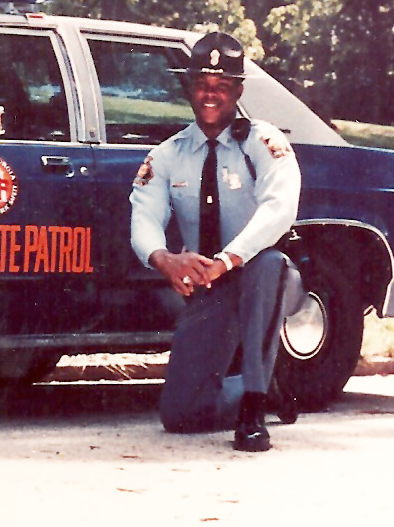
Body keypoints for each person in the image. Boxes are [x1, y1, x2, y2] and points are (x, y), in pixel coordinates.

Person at [129, 31, 302, 452]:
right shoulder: (170, 154)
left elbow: (279, 209)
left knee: (264, 266)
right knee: (180, 415)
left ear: (238, 90)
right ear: (189, 87)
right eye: (202, 86)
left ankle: (253, 412)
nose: (211, 96)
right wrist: (163, 259)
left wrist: (229, 258)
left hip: (265, 274)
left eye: (222, 87)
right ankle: (260, 387)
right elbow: (144, 215)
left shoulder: (263, 142)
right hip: (211, 286)